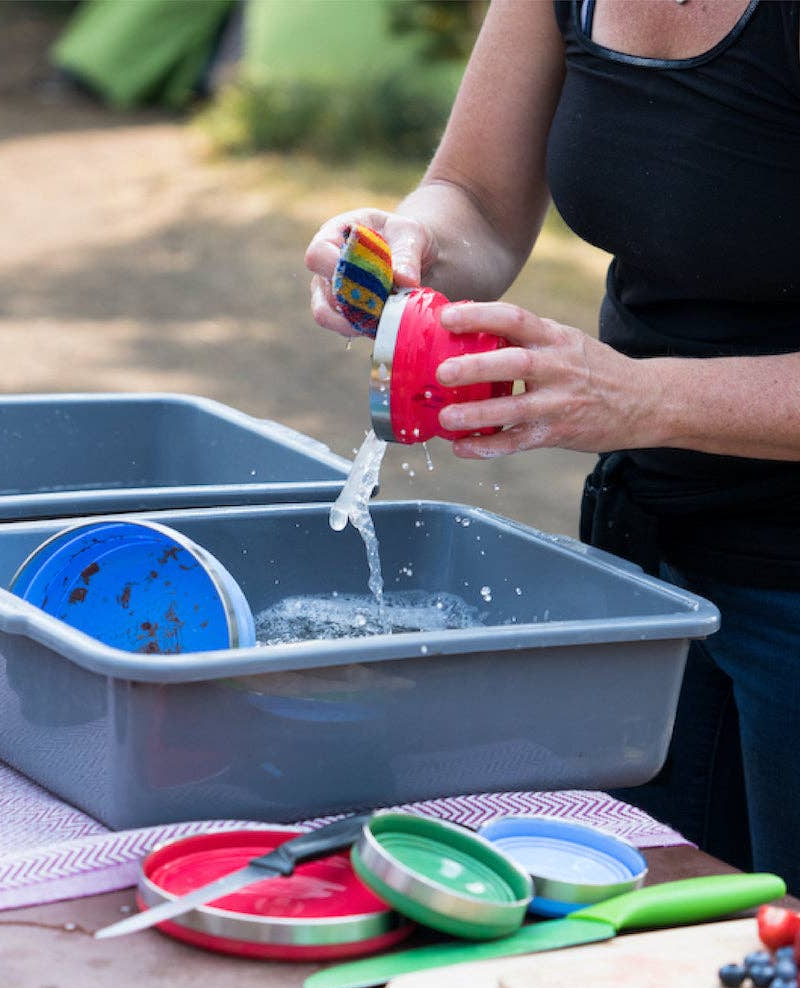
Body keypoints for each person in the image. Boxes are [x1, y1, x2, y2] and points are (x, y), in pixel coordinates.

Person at [305, 0, 800, 892]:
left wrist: (648, 397)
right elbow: (481, 201)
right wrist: (406, 244)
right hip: (653, 569)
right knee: (658, 958)